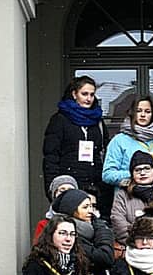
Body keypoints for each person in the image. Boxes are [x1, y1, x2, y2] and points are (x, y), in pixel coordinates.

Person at [42, 76, 110, 208]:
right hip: (69, 184)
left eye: (92, 94)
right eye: (84, 94)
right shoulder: (60, 120)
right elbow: (51, 157)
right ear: (74, 94)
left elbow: (104, 153)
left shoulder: (98, 122)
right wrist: (52, 188)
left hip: (94, 186)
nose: (88, 98)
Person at [101, 94, 153, 190]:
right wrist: (137, 174)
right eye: (138, 111)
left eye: (147, 111)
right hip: (128, 194)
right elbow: (107, 174)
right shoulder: (119, 141)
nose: (143, 115)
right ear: (132, 113)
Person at [110, 150, 153, 245]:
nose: (142, 173)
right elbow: (118, 221)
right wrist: (137, 242)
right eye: (137, 170)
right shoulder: (123, 194)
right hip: (131, 244)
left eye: (147, 168)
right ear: (132, 174)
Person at [33, 174, 78, 243]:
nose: (66, 194)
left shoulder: (86, 219)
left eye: (70, 190)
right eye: (62, 191)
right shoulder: (44, 224)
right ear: (54, 194)